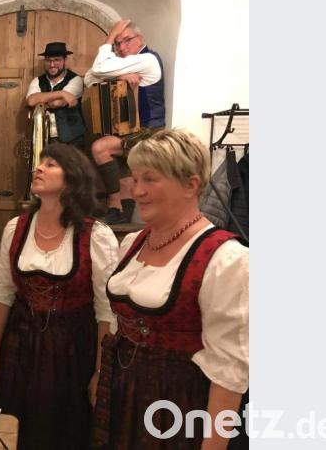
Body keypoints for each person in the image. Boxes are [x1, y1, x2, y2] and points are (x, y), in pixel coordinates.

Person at [92, 129, 249, 449]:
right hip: (123, 398)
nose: (137, 191)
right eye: (135, 179)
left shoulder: (227, 259)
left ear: (191, 184)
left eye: (150, 179)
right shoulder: (132, 244)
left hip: (178, 412)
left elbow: (228, 378)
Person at [0, 143, 119, 449]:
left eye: (50, 164)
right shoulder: (15, 228)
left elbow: (106, 312)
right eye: (40, 163)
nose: (39, 168)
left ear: (72, 179)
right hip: (20, 345)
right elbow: (4, 292)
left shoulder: (95, 236)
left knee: (62, 430)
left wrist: (100, 372)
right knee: (13, 425)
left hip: (72, 351)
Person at [84, 19, 166, 224]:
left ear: (141, 39)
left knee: (100, 148)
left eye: (127, 40)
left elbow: (100, 68)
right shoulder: (126, 62)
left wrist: (110, 36)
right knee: (121, 163)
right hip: (129, 128)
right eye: (117, 43)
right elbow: (88, 78)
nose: (122, 47)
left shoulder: (148, 59)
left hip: (150, 130)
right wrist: (122, 74)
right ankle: (122, 213)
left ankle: (114, 203)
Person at [25, 42, 86, 144]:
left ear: (65, 60)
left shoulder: (76, 80)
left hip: (72, 140)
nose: (52, 64)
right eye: (48, 60)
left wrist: (41, 101)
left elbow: (57, 103)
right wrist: (62, 93)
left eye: (56, 60)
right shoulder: (37, 81)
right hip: (45, 140)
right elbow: (31, 101)